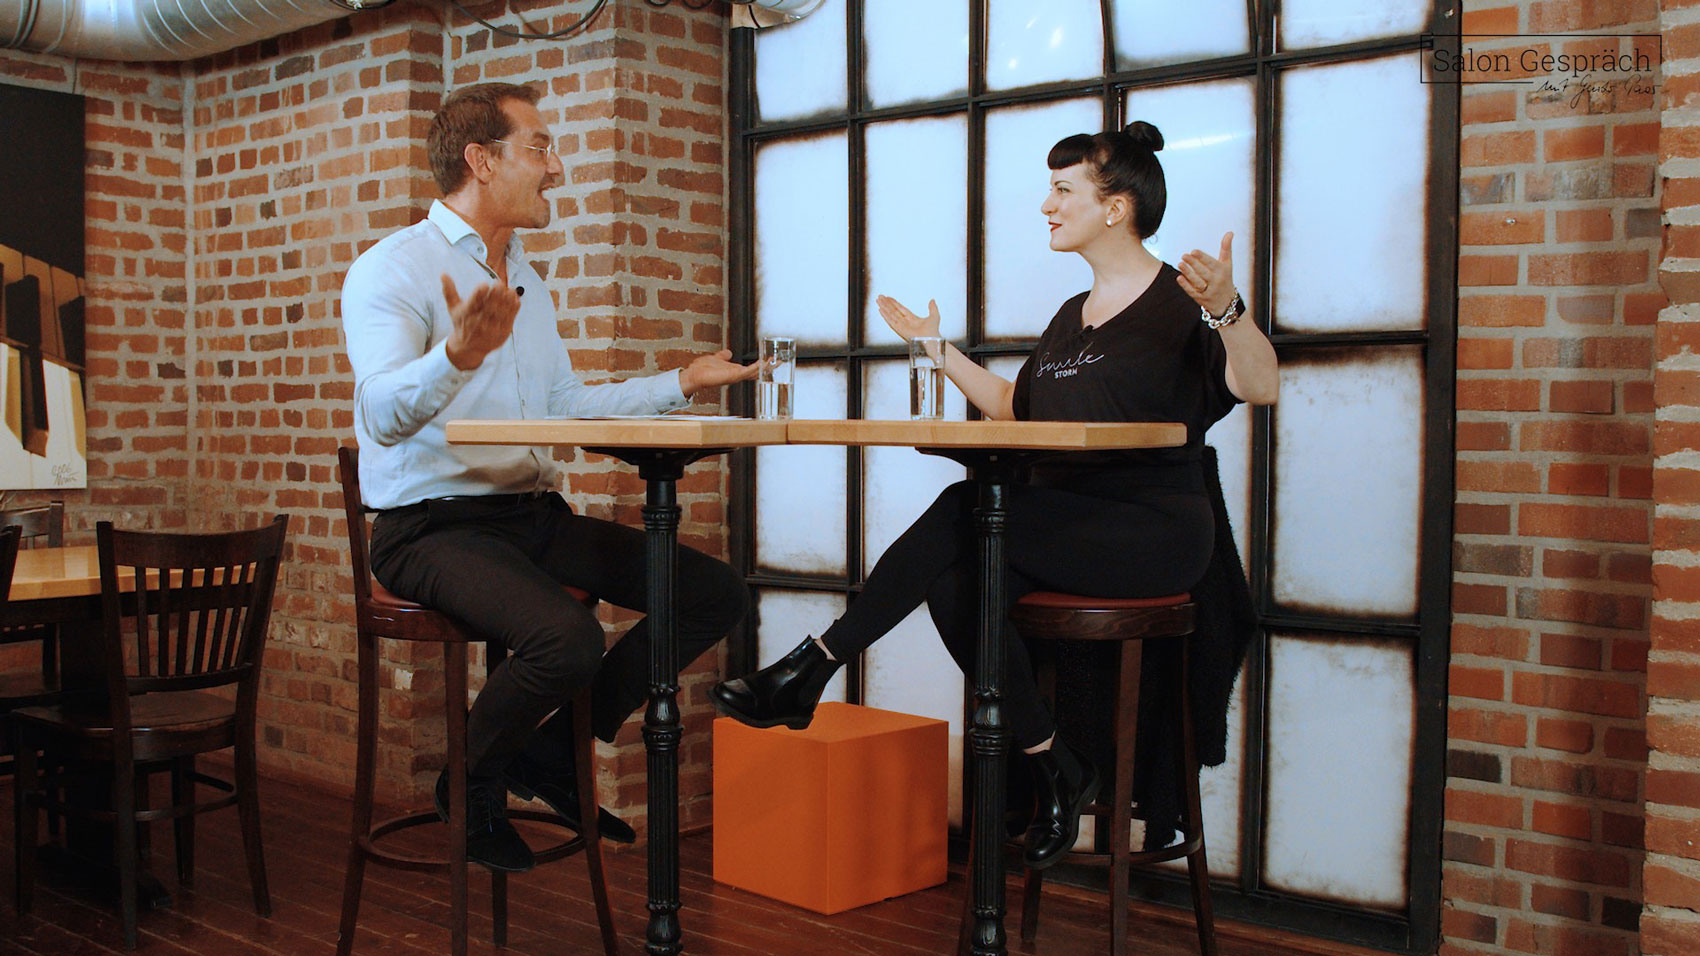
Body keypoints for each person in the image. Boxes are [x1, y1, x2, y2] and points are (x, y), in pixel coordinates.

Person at [711, 121, 1278, 869]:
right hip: (1066, 522)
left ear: (1115, 208)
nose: (1046, 205)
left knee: (965, 507)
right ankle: (1054, 762)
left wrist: (1230, 309)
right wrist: (936, 351)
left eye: (1063, 190)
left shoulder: (1181, 305)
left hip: (1151, 532)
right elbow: (1017, 408)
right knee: (957, 582)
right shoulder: (1072, 315)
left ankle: (813, 665)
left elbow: (1259, 384)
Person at [341, 82, 757, 873]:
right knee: (565, 640)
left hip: (528, 517)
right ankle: (470, 785)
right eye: (540, 148)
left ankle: (550, 755)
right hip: (428, 529)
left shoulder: (525, 279)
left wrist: (680, 384)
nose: (557, 167)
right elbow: (381, 413)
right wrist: (454, 357)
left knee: (712, 593)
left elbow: (562, 404)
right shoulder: (392, 269)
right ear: (481, 160)